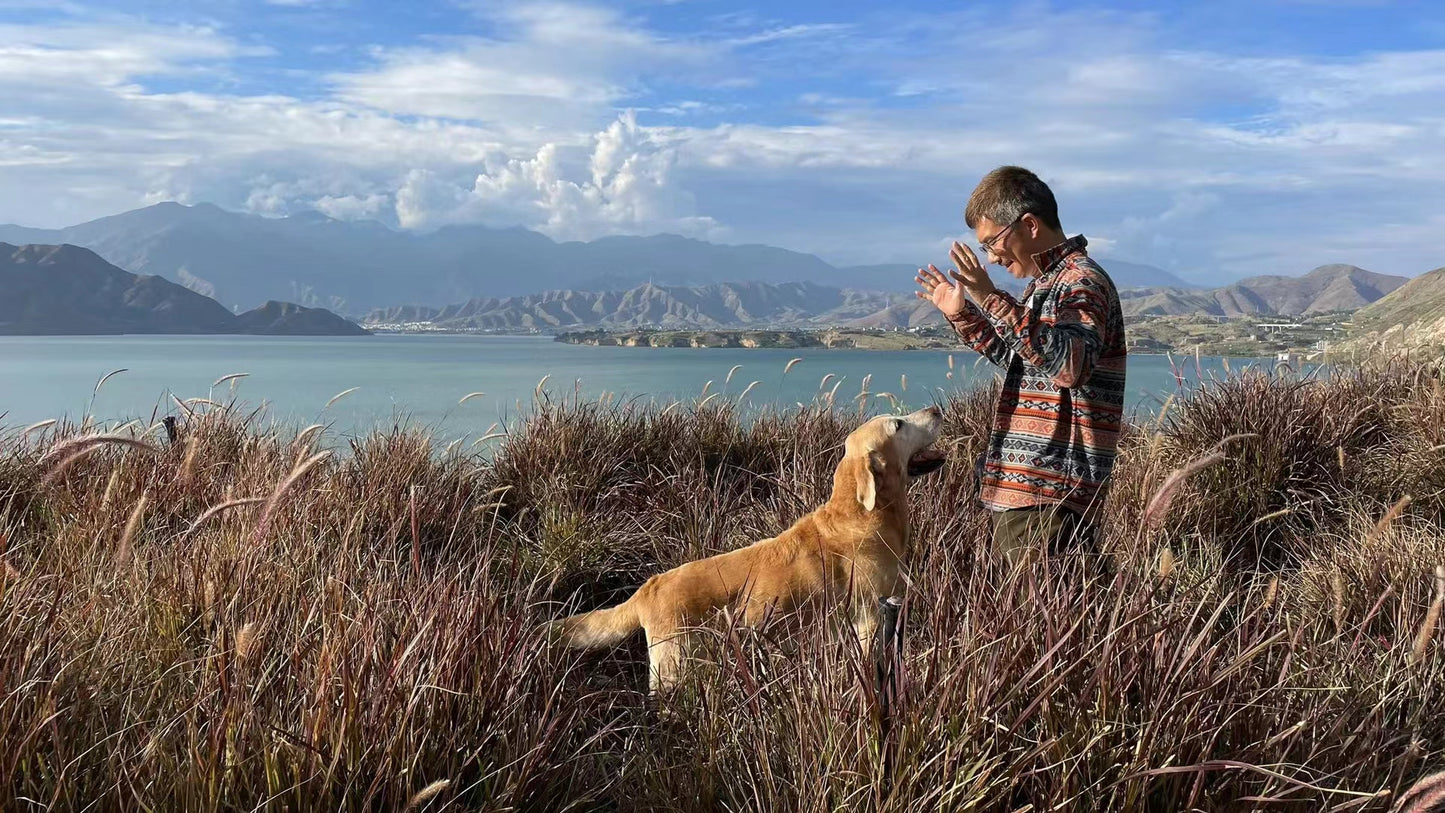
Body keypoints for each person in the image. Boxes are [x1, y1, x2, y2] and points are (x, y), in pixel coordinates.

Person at [914, 166, 1126, 572]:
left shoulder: (1081, 282)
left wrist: (989, 297)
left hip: (1050, 492)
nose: (991, 258)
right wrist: (965, 315)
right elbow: (1025, 360)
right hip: (1031, 491)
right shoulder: (1048, 284)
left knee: (1055, 624)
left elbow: (1069, 367)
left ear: (1028, 224)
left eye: (992, 242)